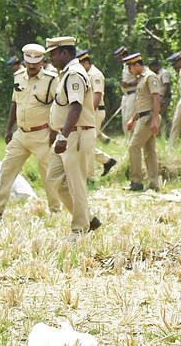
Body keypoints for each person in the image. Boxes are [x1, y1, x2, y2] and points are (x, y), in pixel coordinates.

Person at [0, 44, 62, 217]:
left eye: (35, 63)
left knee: (48, 174)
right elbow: (15, 103)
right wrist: (9, 129)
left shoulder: (51, 80)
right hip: (21, 134)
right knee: (7, 170)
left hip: (42, 134)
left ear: (42, 62)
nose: (32, 66)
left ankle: (55, 209)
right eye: (29, 63)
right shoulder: (18, 77)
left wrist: (54, 130)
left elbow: (59, 105)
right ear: (25, 61)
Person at [45, 36, 101, 236]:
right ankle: (89, 218)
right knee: (54, 178)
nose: (50, 58)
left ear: (65, 52)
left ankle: (80, 229)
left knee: (76, 185)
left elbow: (76, 107)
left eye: (53, 53)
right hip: (67, 134)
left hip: (75, 135)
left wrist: (63, 136)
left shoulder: (74, 74)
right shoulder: (66, 74)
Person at [123, 53, 162, 191]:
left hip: (148, 118)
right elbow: (142, 103)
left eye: (130, 68)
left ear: (137, 65)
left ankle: (136, 181)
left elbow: (156, 99)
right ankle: (154, 183)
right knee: (149, 151)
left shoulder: (150, 77)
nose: (130, 71)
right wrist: (133, 119)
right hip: (143, 116)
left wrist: (154, 120)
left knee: (133, 147)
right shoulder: (141, 79)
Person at [77, 50, 117, 176]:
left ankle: (89, 175)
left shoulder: (95, 75)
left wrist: (89, 112)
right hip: (87, 112)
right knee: (84, 143)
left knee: (88, 144)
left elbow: (98, 95)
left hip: (95, 111)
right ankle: (107, 161)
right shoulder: (85, 74)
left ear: (86, 63)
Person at [115, 46, 137, 137]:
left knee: (130, 118)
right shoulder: (125, 66)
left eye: (119, 57)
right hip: (126, 95)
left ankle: (133, 139)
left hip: (133, 94)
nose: (119, 60)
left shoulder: (132, 65)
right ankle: (128, 139)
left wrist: (128, 84)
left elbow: (140, 79)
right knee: (124, 120)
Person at [149, 60, 172, 132]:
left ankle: (166, 131)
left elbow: (166, 85)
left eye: (152, 68)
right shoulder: (156, 74)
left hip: (163, 97)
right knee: (159, 115)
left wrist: (162, 98)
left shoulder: (164, 73)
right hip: (158, 97)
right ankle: (161, 131)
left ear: (156, 66)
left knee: (162, 115)